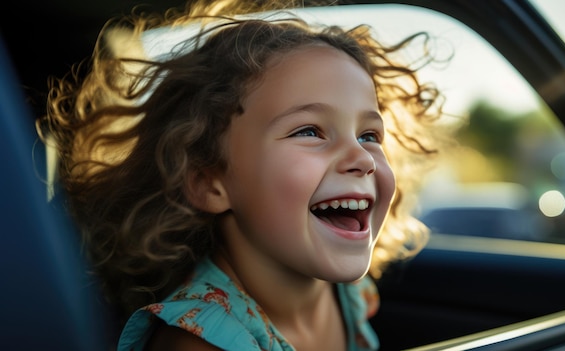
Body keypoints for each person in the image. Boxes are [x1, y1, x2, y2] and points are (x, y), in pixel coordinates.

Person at [37, 0, 449, 349]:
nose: (362, 157)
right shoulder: (199, 340)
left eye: (369, 134)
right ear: (207, 182)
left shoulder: (349, 294)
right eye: (309, 131)